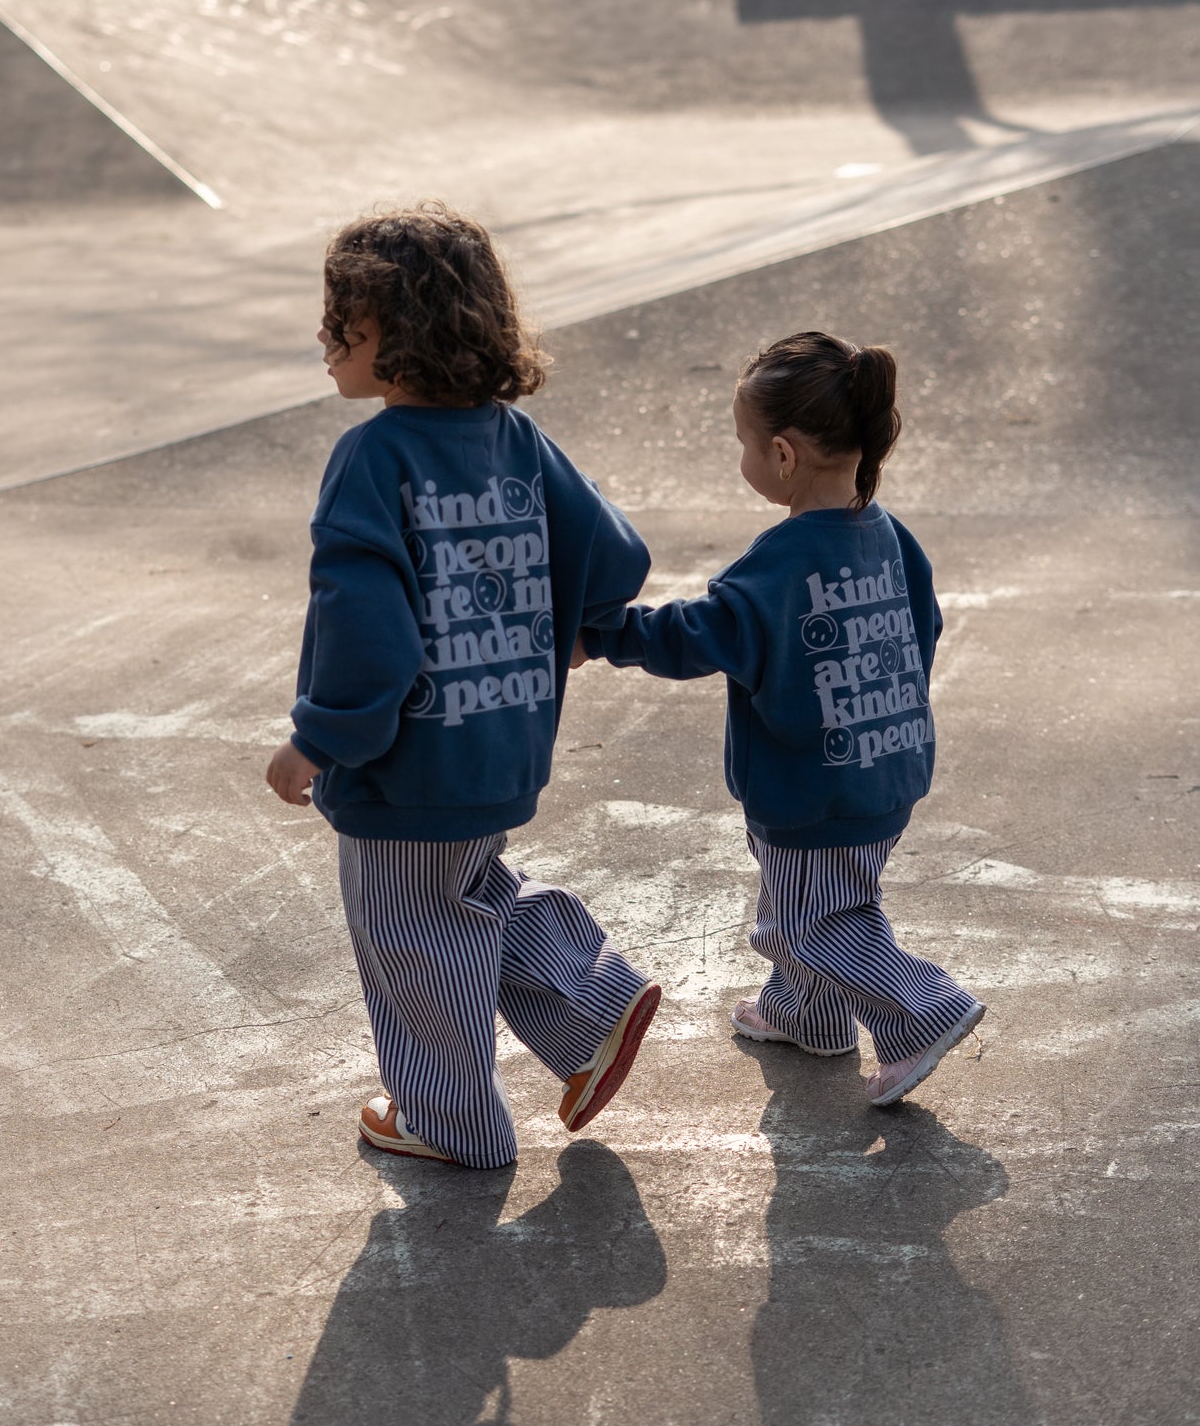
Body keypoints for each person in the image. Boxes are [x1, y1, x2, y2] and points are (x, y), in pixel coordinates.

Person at [265, 206, 661, 1167]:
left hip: (407, 766)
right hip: (503, 741)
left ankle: (449, 1123)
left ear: (393, 339)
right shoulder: (515, 439)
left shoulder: (373, 457)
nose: (322, 336)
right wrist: (576, 625)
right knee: (466, 890)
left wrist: (319, 739)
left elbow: (366, 627)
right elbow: (616, 557)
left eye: (341, 321)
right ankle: (590, 1004)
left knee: (412, 937)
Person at [576, 330, 983, 1108]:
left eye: (744, 444)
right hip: (881, 766)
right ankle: (808, 1015)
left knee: (804, 925)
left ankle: (920, 1011)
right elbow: (922, 631)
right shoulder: (889, 537)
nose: (743, 458)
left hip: (810, 786)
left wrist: (602, 636)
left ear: (784, 454)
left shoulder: (779, 560)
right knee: (825, 902)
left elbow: (696, 634)